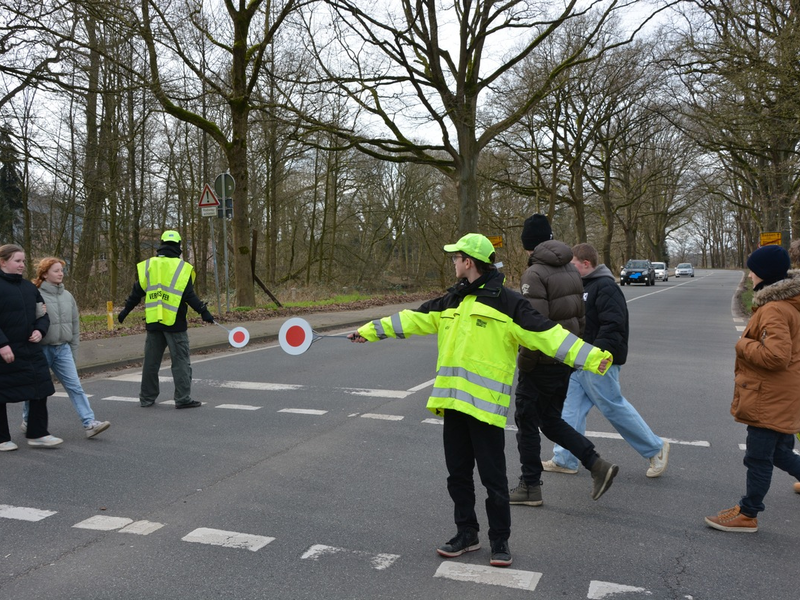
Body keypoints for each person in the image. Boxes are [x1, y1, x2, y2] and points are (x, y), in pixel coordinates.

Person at [348, 233, 614, 568]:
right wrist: (370, 330)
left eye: (456, 257)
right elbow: (411, 319)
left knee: (494, 479)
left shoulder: (508, 303)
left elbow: (549, 335)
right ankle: (466, 534)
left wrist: (592, 357)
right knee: (457, 475)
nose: (454, 263)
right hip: (454, 405)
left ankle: (500, 541)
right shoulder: (452, 301)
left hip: (485, 411)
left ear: (468, 261)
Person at [510, 215, 618, 507]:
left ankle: (530, 485)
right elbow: (581, 320)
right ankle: (596, 464)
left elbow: (534, 327)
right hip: (565, 360)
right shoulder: (571, 270)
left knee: (527, 422)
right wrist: (572, 356)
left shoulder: (534, 275)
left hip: (541, 364)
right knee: (550, 420)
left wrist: (526, 364)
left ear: (528, 245)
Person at [544, 243, 670, 478]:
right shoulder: (580, 286)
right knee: (570, 410)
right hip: (577, 360)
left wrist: (597, 356)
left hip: (598, 361)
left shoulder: (605, 287)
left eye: (572, 265)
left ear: (586, 264)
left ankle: (656, 448)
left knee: (613, 407)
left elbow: (613, 325)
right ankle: (565, 458)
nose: (568, 270)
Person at [705, 244, 800, 532]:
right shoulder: (790, 303)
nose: (748, 274)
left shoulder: (773, 309)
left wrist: (743, 343)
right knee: (780, 452)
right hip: (785, 393)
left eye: (752, 269)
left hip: (769, 396)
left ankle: (748, 515)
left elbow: (775, 357)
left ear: (764, 275)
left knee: (758, 456)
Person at [118, 230, 214, 408]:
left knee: (151, 363)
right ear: (178, 246)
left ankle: (146, 398)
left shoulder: (149, 266)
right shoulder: (182, 268)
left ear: (160, 244)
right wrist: (203, 311)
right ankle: (183, 398)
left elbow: (136, 292)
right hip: (175, 324)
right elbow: (189, 295)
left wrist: (125, 311)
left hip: (154, 322)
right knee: (181, 362)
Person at [20, 257, 110, 438]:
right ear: (44, 274)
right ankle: (28, 420)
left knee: (75, 386)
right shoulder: (35, 294)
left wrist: (73, 352)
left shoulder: (68, 296)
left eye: (61, 270)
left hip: (63, 350)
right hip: (41, 350)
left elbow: (75, 327)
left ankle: (89, 423)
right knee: (36, 389)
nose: (60, 273)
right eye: (56, 270)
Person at [0, 244, 62, 451]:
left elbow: (42, 314)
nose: (22, 265)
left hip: (29, 349)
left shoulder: (29, 288)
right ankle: (1, 439)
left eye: (23, 261)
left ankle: (38, 434)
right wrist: (2, 345)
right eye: (17, 261)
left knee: (40, 387)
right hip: (4, 351)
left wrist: (40, 330)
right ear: (3, 262)